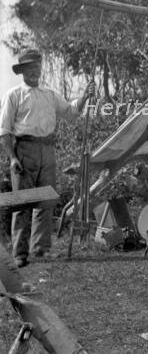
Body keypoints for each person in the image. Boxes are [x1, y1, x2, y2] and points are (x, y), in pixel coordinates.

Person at [0, 49, 95, 267]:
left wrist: (85, 96)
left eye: (37, 68)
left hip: (47, 150)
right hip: (24, 150)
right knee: (23, 202)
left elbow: (71, 112)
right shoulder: (13, 95)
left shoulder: (50, 94)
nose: (35, 72)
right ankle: (19, 254)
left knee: (45, 201)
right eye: (30, 68)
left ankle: (41, 249)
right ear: (22, 71)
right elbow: (4, 132)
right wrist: (13, 158)